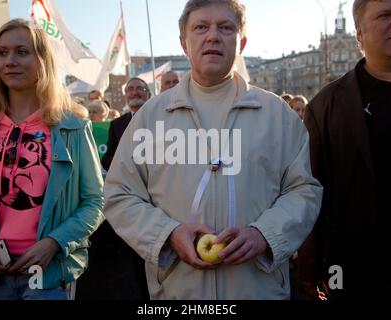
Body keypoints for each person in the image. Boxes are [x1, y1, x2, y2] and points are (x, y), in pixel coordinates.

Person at [103, 0, 322, 300]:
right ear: (184, 42)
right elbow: (119, 194)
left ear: (241, 41)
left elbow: (304, 190)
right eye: (201, 27)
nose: (213, 36)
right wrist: (167, 234)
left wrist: (264, 234)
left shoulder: (278, 116)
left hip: (259, 291)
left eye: (225, 27)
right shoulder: (150, 119)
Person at [0, 19, 104, 300]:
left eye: (22, 52)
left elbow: (96, 201)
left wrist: (55, 242)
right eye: (2, 53)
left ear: (42, 61)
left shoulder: (72, 126)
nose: (10, 61)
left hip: (50, 275)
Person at [298, 0, 391, 299]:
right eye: (386, 14)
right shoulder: (325, 105)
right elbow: (311, 191)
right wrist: (311, 269)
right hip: (358, 271)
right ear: (359, 34)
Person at [76, 77, 151, 300]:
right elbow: (108, 156)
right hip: (132, 196)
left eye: (140, 88)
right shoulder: (117, 125)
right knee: (137, 255)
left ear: (147, 93)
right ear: (125, 95)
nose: (135, 92)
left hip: (159, 194)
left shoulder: (160, 118)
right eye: (131, 89)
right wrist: (124, 163)